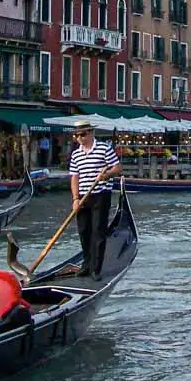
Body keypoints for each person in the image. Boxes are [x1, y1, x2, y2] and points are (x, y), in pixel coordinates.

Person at [68, 120, 122, 280]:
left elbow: (118, 168)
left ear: (91, 133)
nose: (79, 138)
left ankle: (95, 269)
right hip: (83, 197)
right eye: (76, 135)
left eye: (83, 134)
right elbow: (74, 177)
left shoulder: (104, 148)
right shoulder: (76, 154)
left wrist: (106, 175)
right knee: (84, 231)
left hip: (100, 195)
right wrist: (75, 199)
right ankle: (86, 264)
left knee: (98, 231)